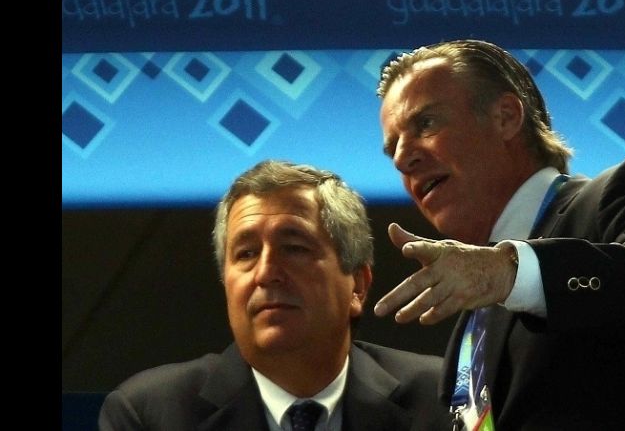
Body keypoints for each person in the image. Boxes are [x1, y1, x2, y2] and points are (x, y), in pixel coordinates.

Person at [373, 39, 625, 430]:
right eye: (393, 148)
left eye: (426, 124)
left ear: (506, 117)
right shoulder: (471, 322)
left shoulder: (624, 189)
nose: (402, 158)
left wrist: (511, 270)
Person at [98, 160, 452, 431]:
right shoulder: (149, 414)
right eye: (246, 254)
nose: (266, 273)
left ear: (357, 286)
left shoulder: (443, 401)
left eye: (294, 248)